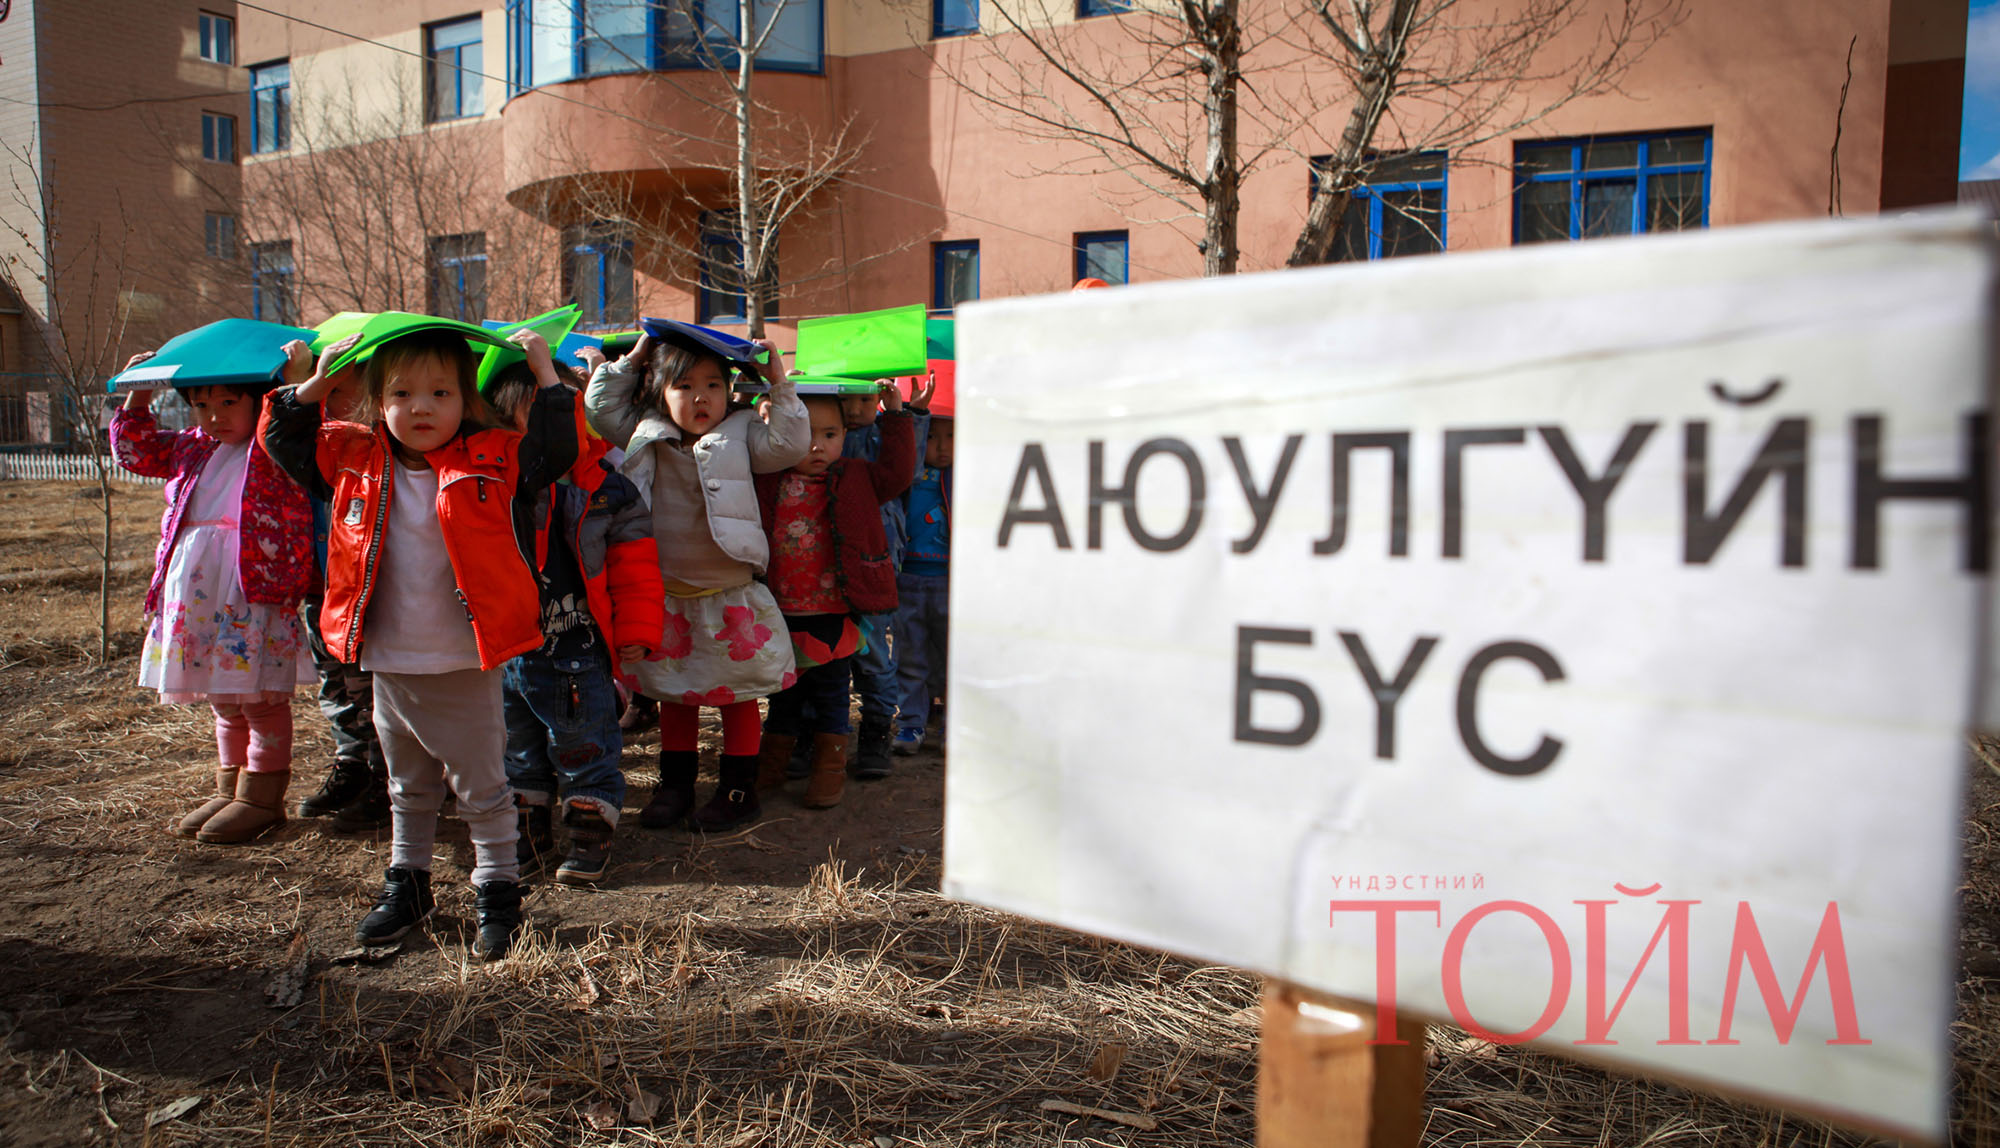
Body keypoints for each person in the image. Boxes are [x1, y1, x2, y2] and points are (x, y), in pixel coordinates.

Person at [263, 327, 576, 961]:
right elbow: (283, 440)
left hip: (462, 654)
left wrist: (545, 374)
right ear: (377, 402)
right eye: (402, 394)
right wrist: (315, 383)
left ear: (467, 399)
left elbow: (556, 450)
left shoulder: (495, 457)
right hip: (387, 653)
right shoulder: (351, 457)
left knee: (482, 783)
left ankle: (498, 888)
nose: (421, 408)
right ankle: (408, 883)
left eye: (440, 392)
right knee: (406, 782)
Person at [584, 327, 806, 832]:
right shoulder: (645, 430)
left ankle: (738, 790)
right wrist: (633, 358)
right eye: (683, 386)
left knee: (738, 695)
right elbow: (599, 408)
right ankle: (675, 786)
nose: (700, 397)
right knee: (674, 694)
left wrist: (778, 383)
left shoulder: (743, 431)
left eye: (712, 385)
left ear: (729, 390)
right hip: (668, 594)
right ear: (659, 392)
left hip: (729, 592)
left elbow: (789, 444)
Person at [112, 362, 314, 844]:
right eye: (202, 405)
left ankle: (262, 797)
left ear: (258, 401)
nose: (214, 416)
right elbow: (136, 451)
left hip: (251, 585)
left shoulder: (271, 443)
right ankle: (231, 789)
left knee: (259, 697)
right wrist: (138, 395)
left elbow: (303, 425)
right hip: (201, 589)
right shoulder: (191, 446)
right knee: (223, 697)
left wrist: (294, 384)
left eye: (228, 402)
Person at [487, 339, 665, 885]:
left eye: (558, 411)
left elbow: (636, 567)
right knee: (517, 751)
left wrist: (637, 630)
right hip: (510, 653)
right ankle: (528, 831)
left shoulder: (610, 491)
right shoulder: (495, 488)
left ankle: (589, 833)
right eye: (528, 419)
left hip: (578, 652)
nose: (546, 431)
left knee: (585, 746)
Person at [755, 383, 916, 810]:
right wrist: (768, 403)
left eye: (829, 435)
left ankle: (829, 771)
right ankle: (772, 765)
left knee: (832, 695)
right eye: (804, 434)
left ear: (845, 435)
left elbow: (898, 474)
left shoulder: (857, 476)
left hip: (834, 611)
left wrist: (896, 416)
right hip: (781, 611)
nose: (817, 446)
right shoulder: (769, 479)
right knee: (783, 693)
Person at [293, 353, 390, 832]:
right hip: (320, 589)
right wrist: (302, 385)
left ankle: (383, 778)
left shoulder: (382, 450)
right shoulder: (313, 447)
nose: (333, 401)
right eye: (326, 391)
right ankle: (351, 763)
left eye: (342, 390)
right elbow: (279, 433)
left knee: (370, 692)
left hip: (364, 594)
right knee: (335, 688)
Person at [893, 411, 953, 755]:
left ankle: (951, 724)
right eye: (931, 436)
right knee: (910, 655)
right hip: (908, 577)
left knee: (951, 655)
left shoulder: (967, 477)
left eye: (951, 436)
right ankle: (911, 722)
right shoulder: (909, 474)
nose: (942, 447)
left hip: (950, 580)